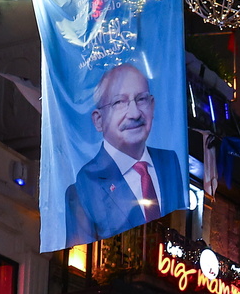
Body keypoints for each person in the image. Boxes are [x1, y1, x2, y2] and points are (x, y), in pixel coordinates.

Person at [64, 63, 185, 244]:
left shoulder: (169, 162)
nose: (134, 113)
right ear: (98, 120)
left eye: (141, 99)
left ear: (152, 106)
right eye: (119, 102)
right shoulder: (83, 189)